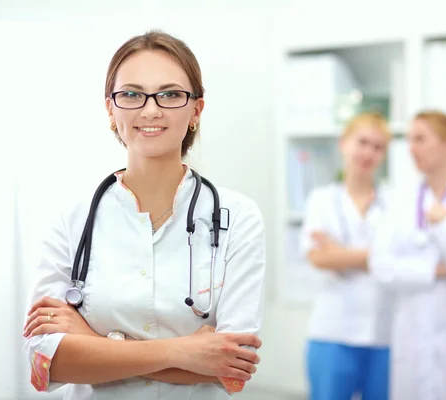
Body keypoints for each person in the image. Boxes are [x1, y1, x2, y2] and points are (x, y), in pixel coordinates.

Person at [21, 30, 266, 400]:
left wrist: (91, 342)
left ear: (196, 110)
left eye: (170, 94)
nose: (150, 110)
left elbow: (233, 368)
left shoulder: (239, 216)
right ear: (110, 109)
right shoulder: (71, 219)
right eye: (132, 94)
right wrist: (187, 352)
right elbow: (45, 364)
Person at [369, 110, 446, 400]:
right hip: (412, 334)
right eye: (409, 140)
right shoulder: (400, 199)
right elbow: (381, 267)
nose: (411, 148)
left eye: (420, 139)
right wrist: (438, 268)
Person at [299, 112, 393, 400]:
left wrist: (339, 253)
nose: (369, 153)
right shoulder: (321, 199)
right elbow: (319, 258)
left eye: (377, 147)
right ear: (344, 144)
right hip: (332, 332)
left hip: (384, 333)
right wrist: (377, 257)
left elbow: (399, 260)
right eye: (362, 142)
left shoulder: (395, 201)